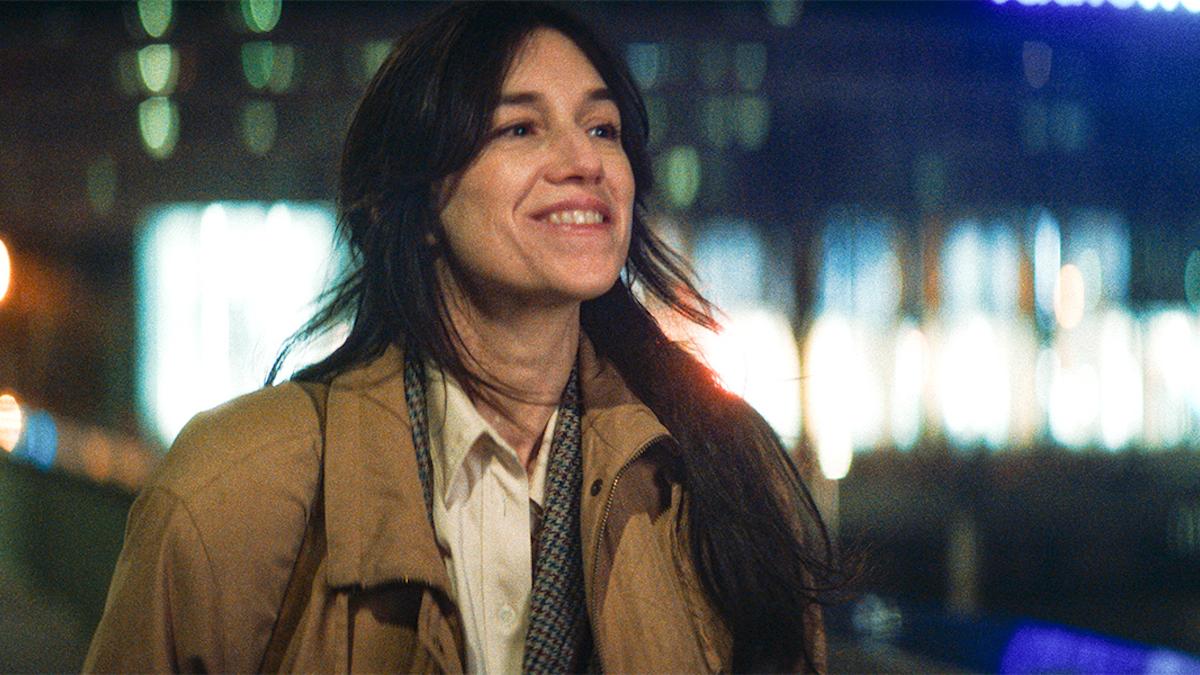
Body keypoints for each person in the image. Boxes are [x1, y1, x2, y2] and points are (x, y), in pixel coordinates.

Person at [85, 3, 840, 672]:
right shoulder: (236, 488)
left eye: (602, 127)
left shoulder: (720, 469)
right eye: (519, 127)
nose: (584, 162)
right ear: (410, 204)